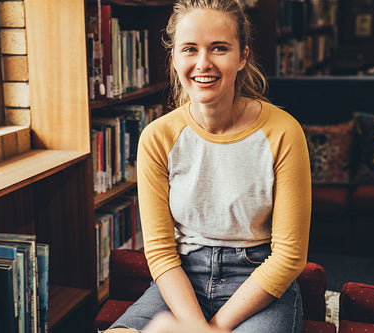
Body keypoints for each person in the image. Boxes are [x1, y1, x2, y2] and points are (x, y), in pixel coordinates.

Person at [105, 0, 311, 332]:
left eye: (219, 48)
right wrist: (196, 324)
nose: (203, 63)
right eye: (189, 49)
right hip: (182, 281)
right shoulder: (157, 137)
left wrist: (210, 329)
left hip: (258, 284)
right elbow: (159, 252)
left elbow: (288, 257)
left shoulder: (283, 132)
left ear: (242, 55)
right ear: (174, 57)